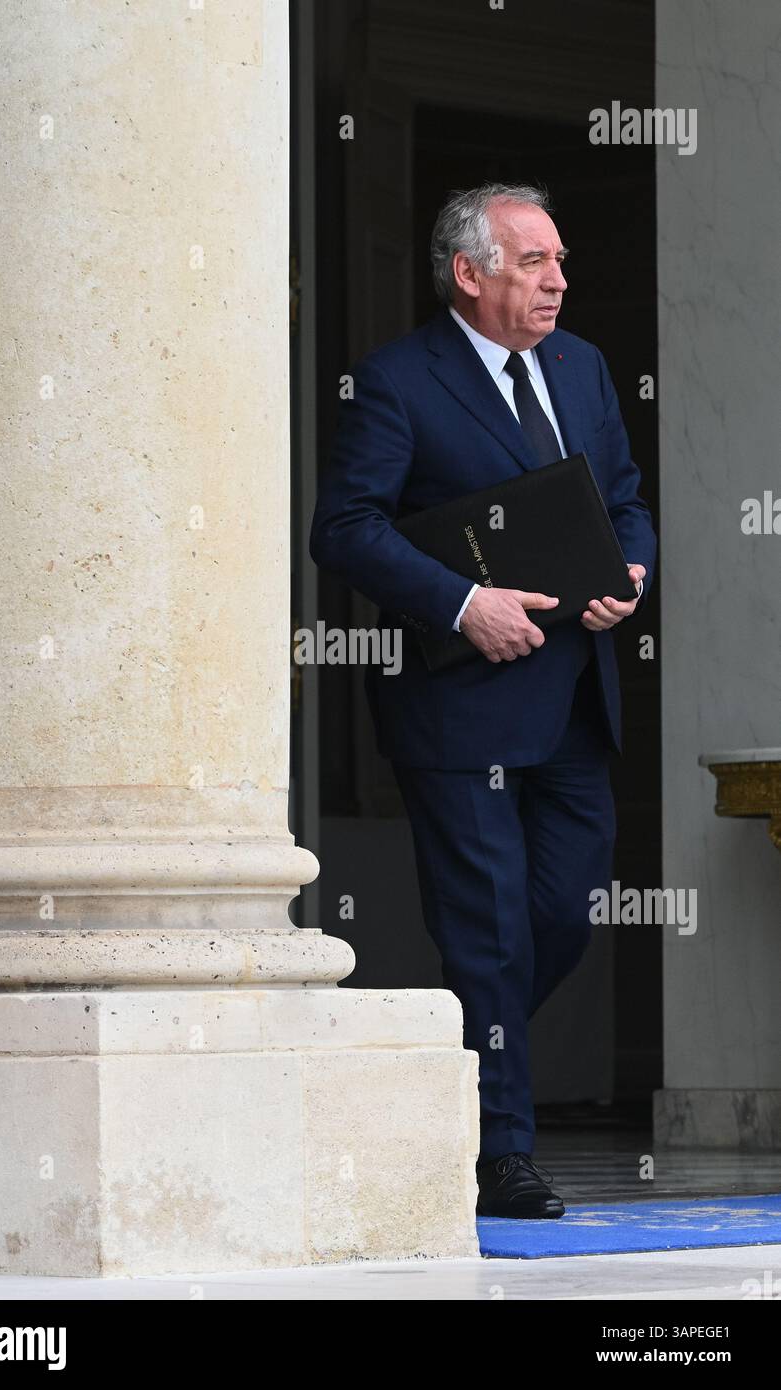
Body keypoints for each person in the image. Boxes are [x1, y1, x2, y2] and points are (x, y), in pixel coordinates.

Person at [309, 183, 657, 1218]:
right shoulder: (393, 382)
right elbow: (344, 527)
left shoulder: (583, 366)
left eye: (558, 261)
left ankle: (442, 1061)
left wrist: (631, 573)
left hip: (574, 698)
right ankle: (499, 1152)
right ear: (468, 274)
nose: (558, 279)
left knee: (560, 910)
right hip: (460, 706)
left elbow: (625, 499)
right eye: (534, 262)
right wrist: (460, 603)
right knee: (490, 930)